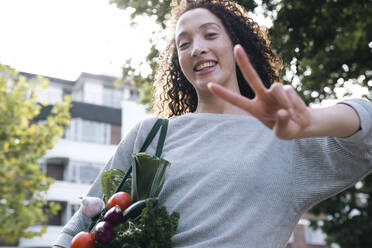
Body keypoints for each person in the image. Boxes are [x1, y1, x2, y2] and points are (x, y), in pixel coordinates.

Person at [53, 0, 372, 247]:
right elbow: (77, 230)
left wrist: (312, 121)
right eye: (184, 43)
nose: (198, 48)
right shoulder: (150, 135)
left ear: (237, 46)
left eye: (210, 34)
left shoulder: (283, 134)